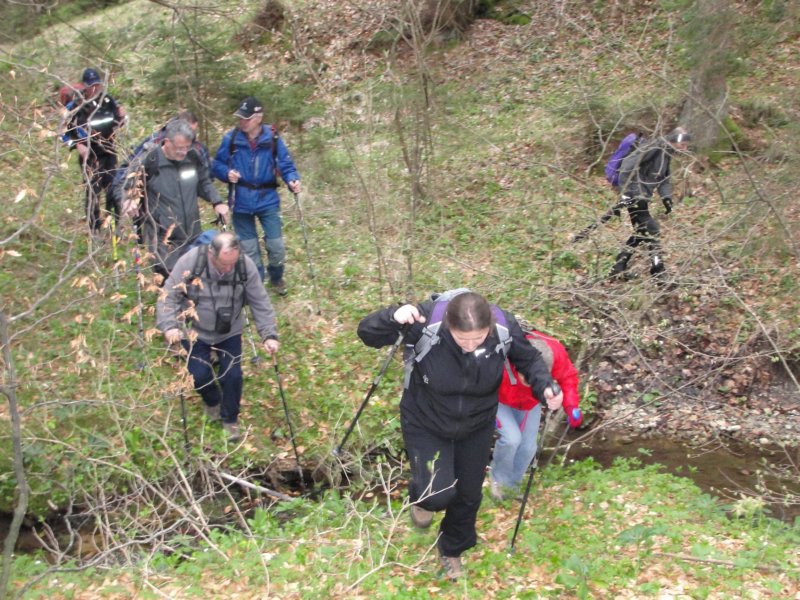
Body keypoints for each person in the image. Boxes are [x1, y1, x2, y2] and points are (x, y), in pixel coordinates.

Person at [357, 291, 563, 580]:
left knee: (468, 494)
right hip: (425, 419)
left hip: (476, 423)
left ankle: (452, 550)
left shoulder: (504, 327)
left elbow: (529, 360)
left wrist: (546, 387)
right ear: (448, 326)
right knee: (436, 494)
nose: (469, 345)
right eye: (461, 338)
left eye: (478, 338)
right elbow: (367, 334)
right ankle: (424, 501)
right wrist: (392, 316)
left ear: (489, 327)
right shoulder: (425, 322)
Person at [156, 232, 279, 440]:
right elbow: (168, 296)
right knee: (198, 375)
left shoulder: (245, 265)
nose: (229, 269)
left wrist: (269, 334)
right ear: (212, 254)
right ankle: (212, 401)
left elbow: (260, 301)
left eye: (232, 264)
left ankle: (230, 419)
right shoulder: (191, 261)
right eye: (224, 264)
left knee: (232, 376)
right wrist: (169, 326)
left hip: (229, 329)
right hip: (194, 329)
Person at [212, 97, 301, 296]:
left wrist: (292, 180)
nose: (242, 122)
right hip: (241, 201)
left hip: (267, 199)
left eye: (247, 118)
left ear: (259, 117)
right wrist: (226, 173)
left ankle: (276, 277)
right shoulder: (231, 139)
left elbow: (286, 165)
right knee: (249, 249)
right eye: (240, 118)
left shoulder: (273, 138)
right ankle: (257, 284)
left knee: (276, 246)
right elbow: (217, 165)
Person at [119, 118, 229, 278]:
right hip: (163, 239)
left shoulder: (192, 157)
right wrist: (129, 199)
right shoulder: (150, 160)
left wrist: (217, 202)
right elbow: (127, 185)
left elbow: (204, 182)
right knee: (171, 282)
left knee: (196, 279)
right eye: (179, 148)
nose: (183, 152)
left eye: (186, 147)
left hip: (192, 234)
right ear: (167, 142)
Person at [489, 330, 582, 500]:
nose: (529, 384)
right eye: (526, 380)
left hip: (529, 402)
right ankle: (499, 485)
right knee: (511, 439)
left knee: (528, 447)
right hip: (497, 399)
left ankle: (512, 487)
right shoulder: (501, 356)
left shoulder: (556, 355)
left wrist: (571, 406)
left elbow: (568, 377)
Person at [111, 110, 211, 242]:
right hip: (157, 219)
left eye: (193, 131)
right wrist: (124, 197)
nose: (191, 136)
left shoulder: (195, 148)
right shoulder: (153, 145)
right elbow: (126, 174)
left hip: (188, 223)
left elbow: (205, 177)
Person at [609, 127, 691, 280]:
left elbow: (664, 178)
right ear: (675, 140)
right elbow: (627, 165)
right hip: (634, 195)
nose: (685, 149)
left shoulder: (666, 152)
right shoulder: (654, 147)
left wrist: (666, 198)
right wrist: (626, 192)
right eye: (683, 144)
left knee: (641, 231)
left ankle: (618, 267)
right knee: (652, 230)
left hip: (642, 197)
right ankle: (658, 271)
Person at [60, 67, 127, 231]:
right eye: (92, 86)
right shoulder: (75, 107)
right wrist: (77, 144)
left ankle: (114, 226)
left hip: (109, 152)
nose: (96, 89)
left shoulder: (108, 101)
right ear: (85, 86)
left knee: (113, 189)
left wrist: (122, 118)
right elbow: (63, 134)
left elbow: (117, 122)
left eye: (98, 85)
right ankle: (95, 230)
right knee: (92, 193)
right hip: (89, 157)